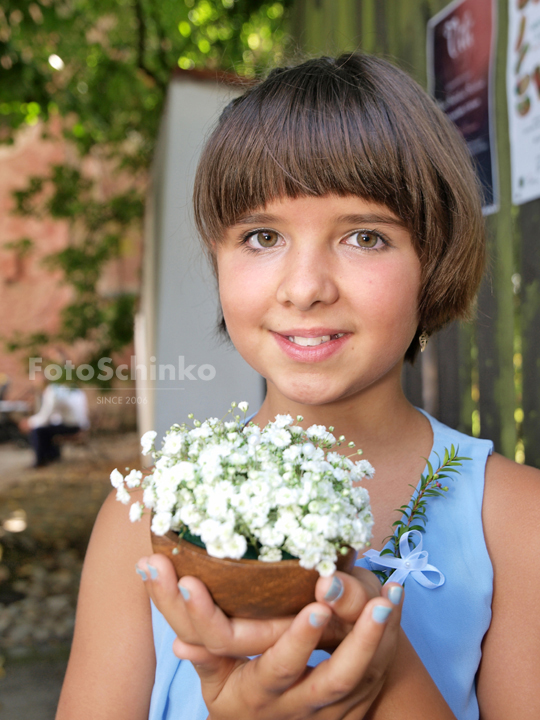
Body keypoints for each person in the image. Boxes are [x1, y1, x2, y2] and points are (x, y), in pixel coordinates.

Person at [56, 53, 540, 720]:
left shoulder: (516, 521)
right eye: (262, 236)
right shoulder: (142, 518)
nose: (306, 287)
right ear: (216, 257)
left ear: (434, 258)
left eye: (365, 237)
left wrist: (382, 670)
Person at [19, 381, 90, 467]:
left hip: (71, 425)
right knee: (46, 429)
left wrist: (29, 422)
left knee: (37, 430)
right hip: (81, 425)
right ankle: (52, 456)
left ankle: (40, 461)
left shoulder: (54, 390)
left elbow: (46, 416)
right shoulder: (72, 388)